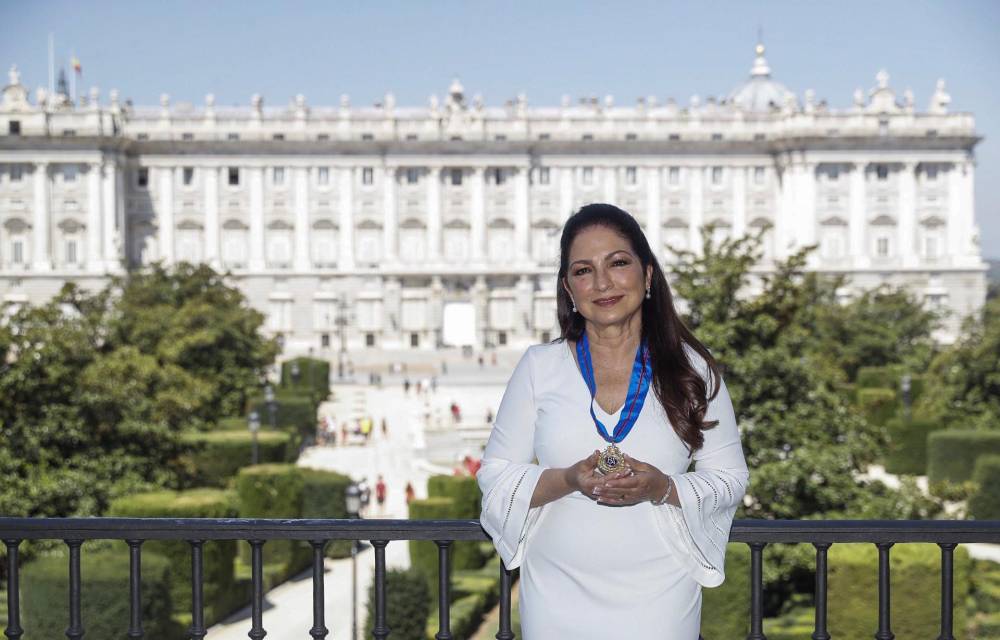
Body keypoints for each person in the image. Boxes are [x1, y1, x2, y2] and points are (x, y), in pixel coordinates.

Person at [477, 203, 750, 639]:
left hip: (661, 597)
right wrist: (568, 479)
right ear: (568, 288)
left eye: (617, 263)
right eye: (583, 271)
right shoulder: (538, 366)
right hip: (556, 596)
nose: (602, 283)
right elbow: (495, 477)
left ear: (647, 276)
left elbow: (731, 478)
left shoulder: (694, 370)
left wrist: (662, 487)